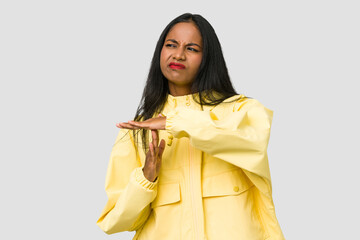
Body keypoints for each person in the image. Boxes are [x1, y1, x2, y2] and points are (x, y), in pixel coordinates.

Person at [96, 13, 285, 240]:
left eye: (192, 48)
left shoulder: (241, 111)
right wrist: (146, 179)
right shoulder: (139, 130)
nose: (178, 54)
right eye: (171, 45)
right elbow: (114, 222)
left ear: (208, 58)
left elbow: (253, 144)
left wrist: (175, 122)